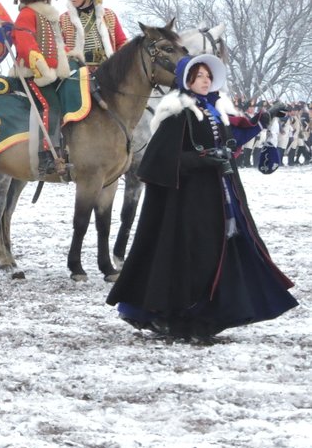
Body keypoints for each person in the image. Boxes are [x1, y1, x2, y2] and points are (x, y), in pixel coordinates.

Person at [106, 54, 297, 340]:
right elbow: (159, 161)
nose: (205, 80)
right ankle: (185, 316)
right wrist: (203, 159)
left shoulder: (215, 109)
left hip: (221, 195)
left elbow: (231, 139)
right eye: (199, 76)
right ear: (187, 80)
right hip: (188, 202)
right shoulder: (177, 113)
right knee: (196, 255)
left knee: (224, 250)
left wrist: (263, 120)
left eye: (208, 76)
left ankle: (210, 315)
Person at [0, 0, 72, 176]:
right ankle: (46, 155)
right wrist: (37, 62)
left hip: (52, 74)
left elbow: (59, 44)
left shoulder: (50, 17)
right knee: (50, 105)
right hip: (32, 75)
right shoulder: (27, 15)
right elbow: (25, 41)